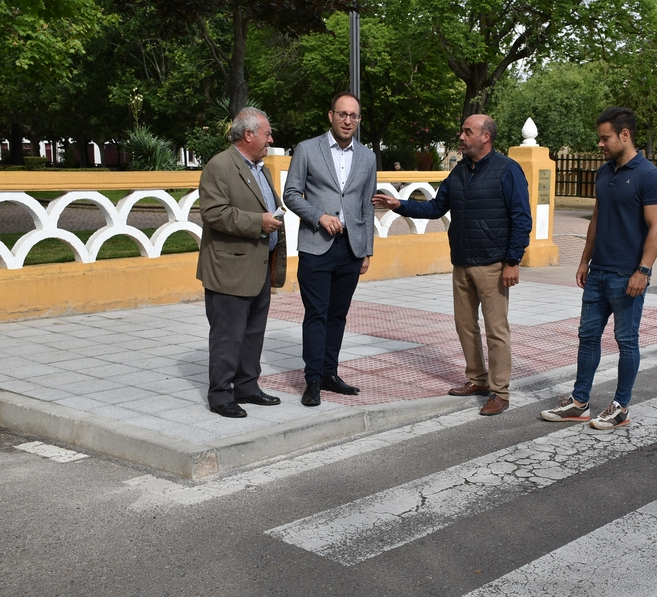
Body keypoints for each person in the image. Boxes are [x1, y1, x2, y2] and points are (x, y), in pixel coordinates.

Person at [373, 114, 532, 416]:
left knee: (496, 330)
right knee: (465, 326)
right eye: (462, 131)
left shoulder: (507, 170)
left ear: (486, 137)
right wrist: (399, 205)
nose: (461, 136)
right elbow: (435, 207)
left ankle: (500, 391)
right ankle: (477, 379)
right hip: (461, 262)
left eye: (467, 132)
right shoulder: (459, 172)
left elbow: (522, 219)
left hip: (493, 265)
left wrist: (513, 261)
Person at [539, 107, 657, 429]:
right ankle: (580, 401)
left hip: (628, 275)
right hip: (599, 272)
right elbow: (596, 219)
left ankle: (621, 406)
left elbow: (656, 228)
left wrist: (644, 271)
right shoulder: (604, 172)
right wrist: (584, 260)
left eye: (605, 138)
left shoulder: (648, 175)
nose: (601, 144)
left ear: (625, 135)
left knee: (626, 341)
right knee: (588, 336)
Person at [283, 92, 376, 407]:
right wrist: (318, 216)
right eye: (342, 114)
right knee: (316, 315)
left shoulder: (367, 157)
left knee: (338, 316)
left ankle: (329, 374)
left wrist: (366, 250)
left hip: (350, 248)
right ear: (330, 115)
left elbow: (366, 206)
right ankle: (312, 381)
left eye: (354, 116)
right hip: (315, 246)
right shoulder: (308, 149)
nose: (348, 120)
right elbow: (291, 194)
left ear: (359, 119)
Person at [196, 107, 286, 418]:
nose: (270, 140)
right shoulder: (219, 167)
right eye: (267, 134)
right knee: (227, 334)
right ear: (248, 135)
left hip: (259, 265)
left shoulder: (261, 168)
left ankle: (247, 386)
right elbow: (213, 213)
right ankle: (220, 394)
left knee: (252, 332)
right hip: (229, 269)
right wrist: (258, 222)